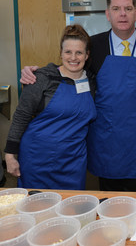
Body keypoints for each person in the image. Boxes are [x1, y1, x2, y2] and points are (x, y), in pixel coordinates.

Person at [20, 0, 136, 191]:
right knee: (107, 199)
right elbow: (70, 65)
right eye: (116, 8)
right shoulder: (94, 44)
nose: (122, 14)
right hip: (105, 139)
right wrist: (37, 71)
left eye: (128, 8)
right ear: (107, 14)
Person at [4, 24, 96, 190]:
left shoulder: (92, 82)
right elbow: (21, 116)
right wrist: (10, 155)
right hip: (38, 160)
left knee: (71, 209)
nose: (73, 57)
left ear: (87, 55)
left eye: (79, 52)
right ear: (60, 53)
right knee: (36, 209)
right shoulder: (42, 78)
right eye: (68, 52)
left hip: (73, 162)